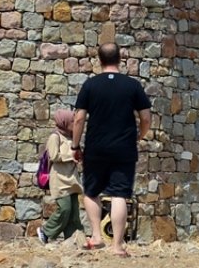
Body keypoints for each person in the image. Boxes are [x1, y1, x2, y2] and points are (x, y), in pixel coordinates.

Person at [71, 43, 151, 257]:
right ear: (120, 59)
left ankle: (96, 236)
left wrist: (75, 146)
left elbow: (79, 118)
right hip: (124, 148)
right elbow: (145, 118)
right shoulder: (132, 86)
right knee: (119, 194)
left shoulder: (90, 85)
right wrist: (139, 136)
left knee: (91, 191)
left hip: (96, 147)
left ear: (99, 61)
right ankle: (117, 247)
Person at [38, 109, 83, 243]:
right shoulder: (55, 137)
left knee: (74, 212)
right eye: (72, 121)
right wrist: (71, 155)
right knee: (65, 208)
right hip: (59, 179)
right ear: (64, 122)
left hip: (72, 179)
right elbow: (54, 155)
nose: (75, 124)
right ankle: (46, 232)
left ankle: (75, 238)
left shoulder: (72, 138)